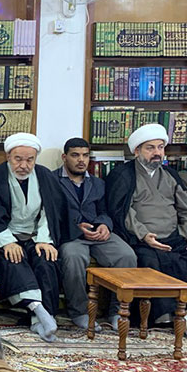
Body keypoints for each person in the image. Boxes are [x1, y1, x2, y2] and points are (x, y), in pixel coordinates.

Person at [0, 133, 73, 342]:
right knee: (14, 259)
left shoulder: (45, 176)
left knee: (46, 259)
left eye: (29, 160)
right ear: (8, 156)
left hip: (35, 235)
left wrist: (44, 240)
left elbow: (51, 211)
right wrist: (8, 242)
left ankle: (41, 318)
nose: (24, 165)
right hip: (7, 235)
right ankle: (38, 310)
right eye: (18, 159)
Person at [106, 123, 186, 328]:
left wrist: (184, 234)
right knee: (149, 260)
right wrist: (144, 235)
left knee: (180, 259)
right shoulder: (123, 175)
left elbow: (184, 208)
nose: (157, 153)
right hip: (139, 239)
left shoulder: (171, 175)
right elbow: (122, 211)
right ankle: (161, 316)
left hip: (175, 238)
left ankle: (182, 312)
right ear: (137, 151)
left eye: (160, 147)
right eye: (150, 148)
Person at [56, 137, 136, 331]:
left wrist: (104, 225)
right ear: (64, 157)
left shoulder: (98, 183)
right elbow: (52, 214)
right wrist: (77, 228)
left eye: (85, 155)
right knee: (74, 257)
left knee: (127, 255)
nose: (81, 160)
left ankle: (117, 311)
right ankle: (79, 312)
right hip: (71, 235)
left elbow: (105, 211)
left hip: (98, 234)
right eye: (75, 155)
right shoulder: (51, 180)